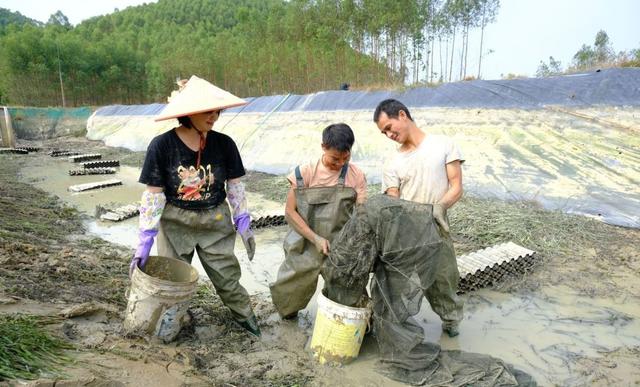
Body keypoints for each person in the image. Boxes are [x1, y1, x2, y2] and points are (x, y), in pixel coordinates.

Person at [130, 75, 260, 337]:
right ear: (188, 112)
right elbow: (154, 196)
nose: (214, 116)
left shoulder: (224, 144)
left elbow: (234, 186)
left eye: (217, 111)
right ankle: (168, 329)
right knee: (172, 282)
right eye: (207, 111)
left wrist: (243, 219)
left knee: (227, 279)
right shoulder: (162, 146)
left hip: (215, 220)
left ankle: (249, 323)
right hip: (176, 221)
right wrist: (145, 238)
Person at [374, 98, 464, 337]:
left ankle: (451, 322)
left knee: (444, 280)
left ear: (402, 115)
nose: (388, 135)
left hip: (437, 226)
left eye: (389, 128)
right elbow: (392, 199)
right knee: (401, 283)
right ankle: (398, 328)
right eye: (384, 133)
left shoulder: (443, 145)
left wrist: (440, 207)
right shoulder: (392, 162)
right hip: (407, 232)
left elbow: (456, 186)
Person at [269, 123, 367, 319]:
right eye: (334, 159)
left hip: (340, 246)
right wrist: (315, 238)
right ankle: (288, 318)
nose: (340, 164)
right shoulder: (304, 173)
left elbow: (362, 213)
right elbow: (290, 212)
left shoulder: (356, 175)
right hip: (305, 243)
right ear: (323, 147)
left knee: (350, 298)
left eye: (345, 158)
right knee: (290, 293)